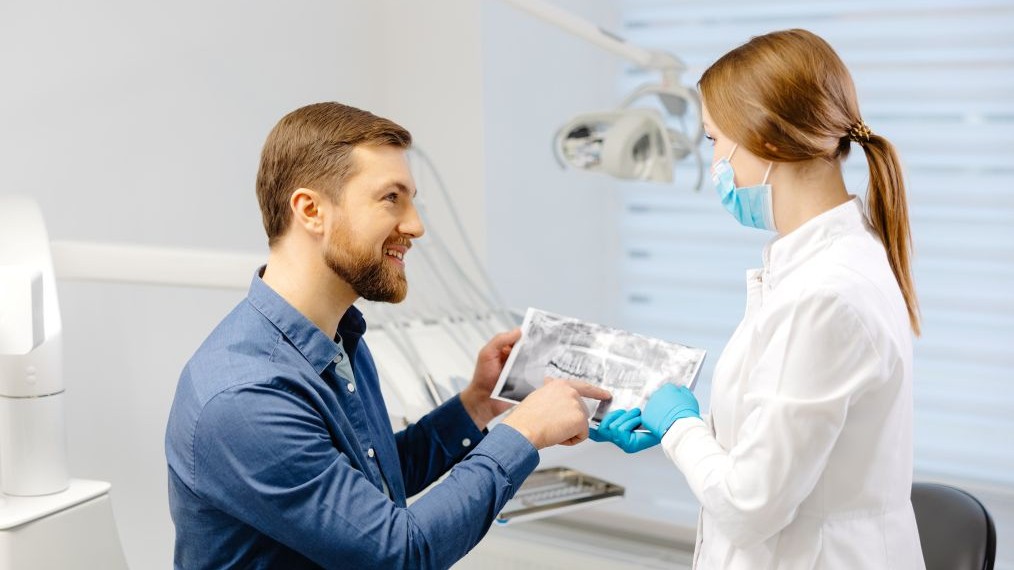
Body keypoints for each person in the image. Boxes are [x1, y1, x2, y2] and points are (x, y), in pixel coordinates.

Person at [164, 102, 612, 569]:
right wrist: (523, 433)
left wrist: (477, 404)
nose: (415, 225)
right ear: (311, 210)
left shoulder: (341, 340)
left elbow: (365, 487)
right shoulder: (244, 397)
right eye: (391, 198)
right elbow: (398, 555)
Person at [590, 29, 926, 569]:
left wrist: (679, 425)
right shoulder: (825, 262)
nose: (718, 163)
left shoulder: (825, 293)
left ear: (764, 139)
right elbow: (783, 449)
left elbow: (750, 506)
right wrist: (682, 429)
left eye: (714, 140)